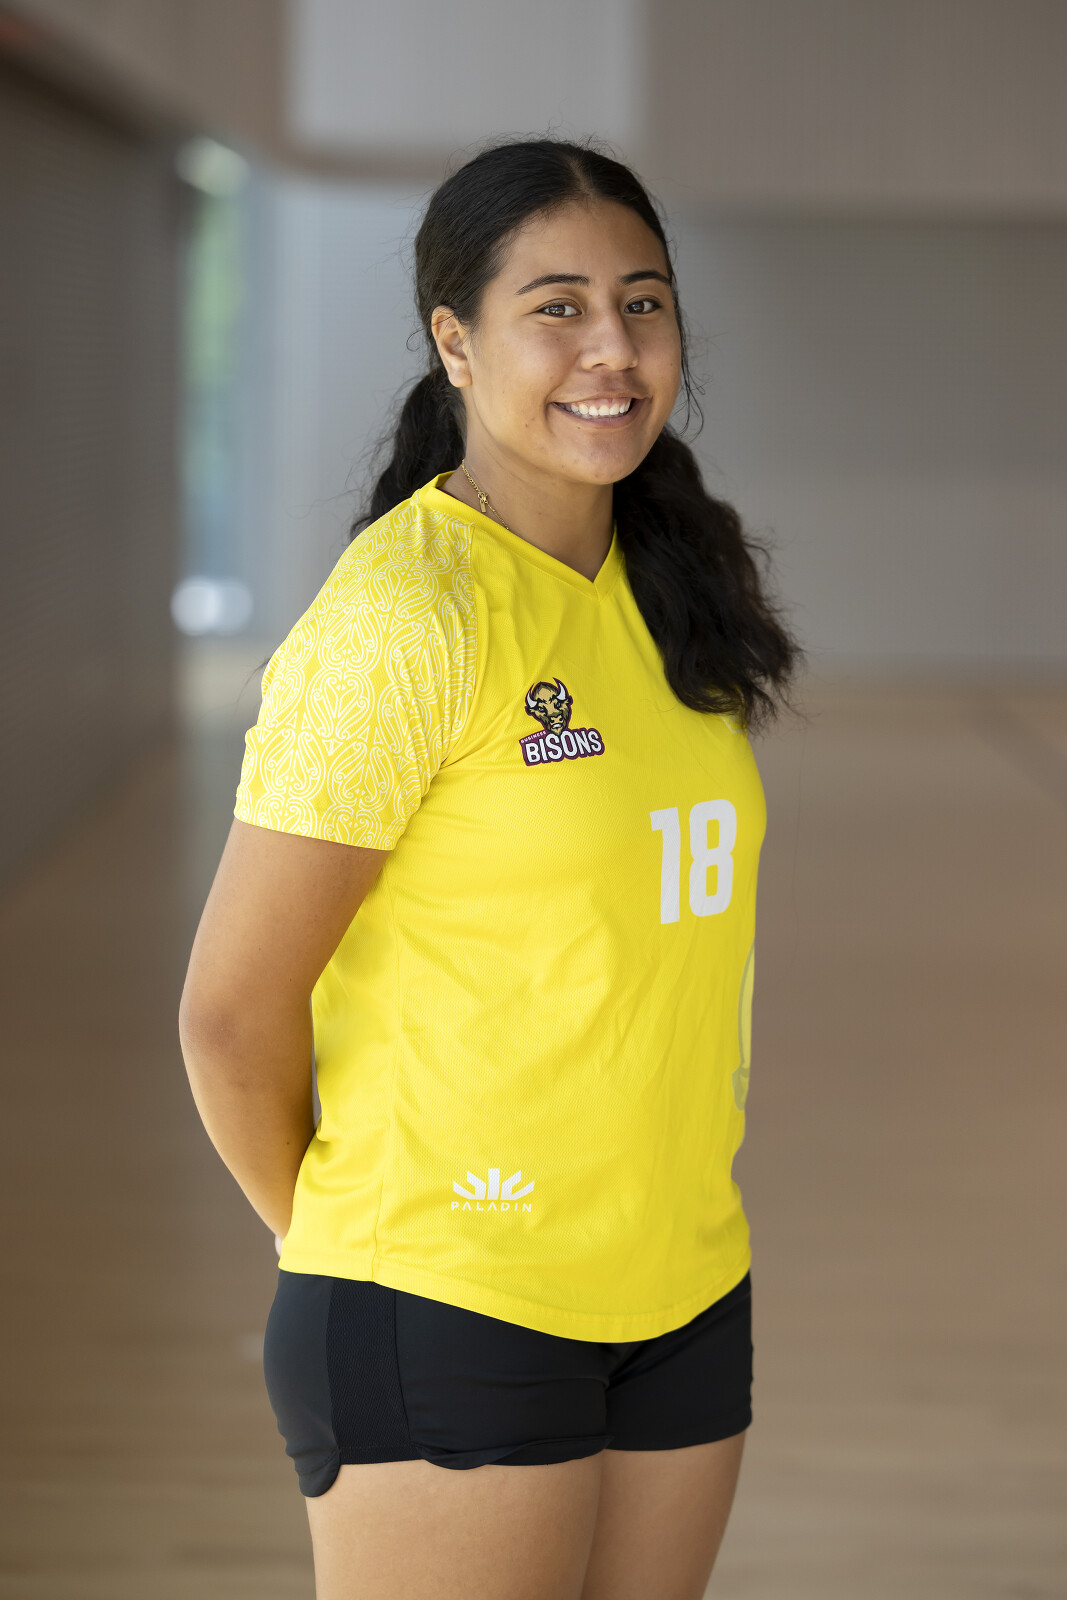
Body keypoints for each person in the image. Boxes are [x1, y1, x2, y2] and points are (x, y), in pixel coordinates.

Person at [179, 136, 800, 1600]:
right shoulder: (408, 616)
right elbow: (230, 1016)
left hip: (681, 1281)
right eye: (557, 307)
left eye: (643, 304)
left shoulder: (671, 587)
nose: (612, 348)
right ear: (455, 343)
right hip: (449, 1293)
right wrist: (364, 1255)